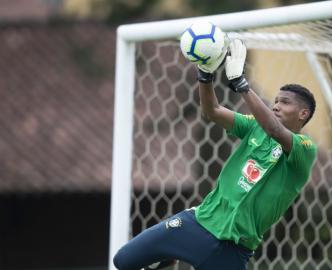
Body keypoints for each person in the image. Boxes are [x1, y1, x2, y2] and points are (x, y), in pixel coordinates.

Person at [113, 39, 317, 270]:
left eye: (285, 103)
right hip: (198, 223)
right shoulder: (254, 126)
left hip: (233, 248)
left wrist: (242, 85)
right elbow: (213, 111)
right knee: (124, 261)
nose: (276, 106)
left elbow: (275, 129)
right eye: (276, 101)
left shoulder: (305, 148)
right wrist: (205, 75)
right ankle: (170, 255)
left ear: (303, 113)